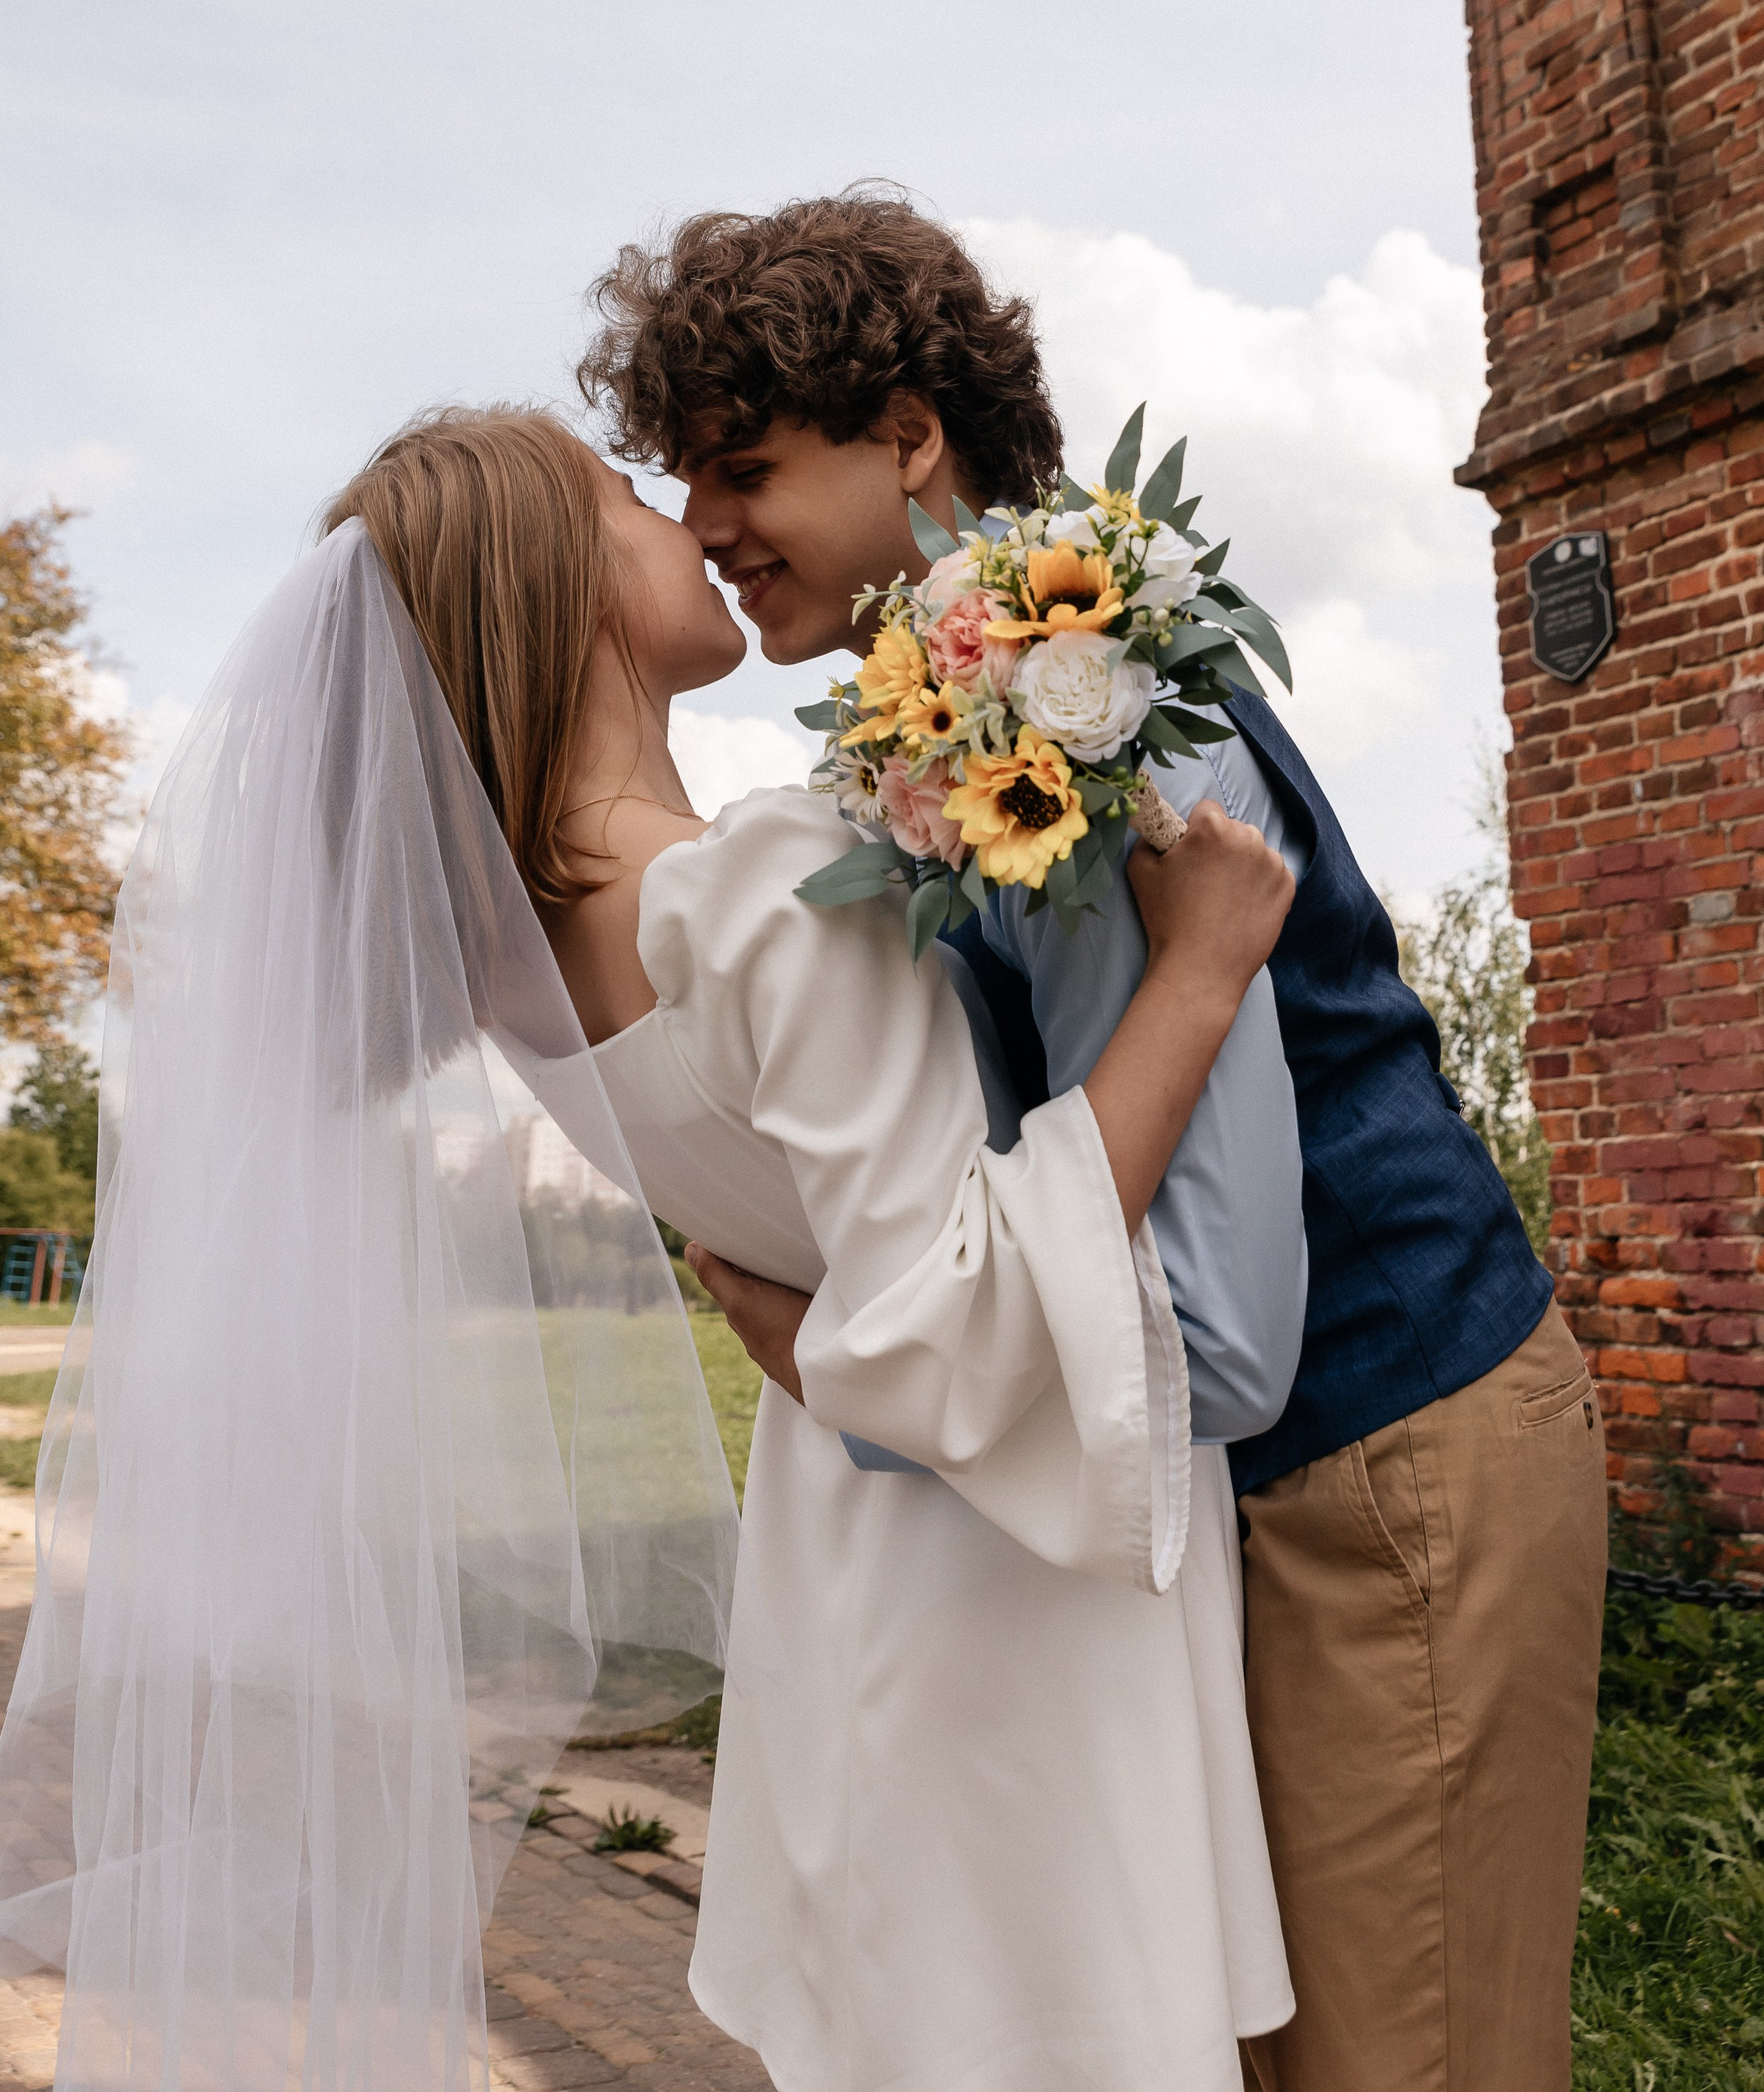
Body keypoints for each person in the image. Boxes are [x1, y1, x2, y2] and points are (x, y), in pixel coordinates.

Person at [580, 189, 1611, 2092]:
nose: (708, 525)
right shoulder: (946, 725)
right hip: (1291, 1480)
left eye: (741, 467)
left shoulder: (1088, 710)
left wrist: (860, 1370)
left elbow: (1217, 1336)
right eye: (681, 478)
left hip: (1382, 1461)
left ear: (907, 435)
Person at [324, 406, 1301, 2092]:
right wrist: (1200, 974)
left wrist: (808, 1319)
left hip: (848, 1565)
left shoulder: (518, 972)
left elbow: (831, 1276)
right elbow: (964, 1314)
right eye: (633, 499)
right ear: (561, 583)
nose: (687, 524)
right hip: (1005, 1610)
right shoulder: (761, 887)